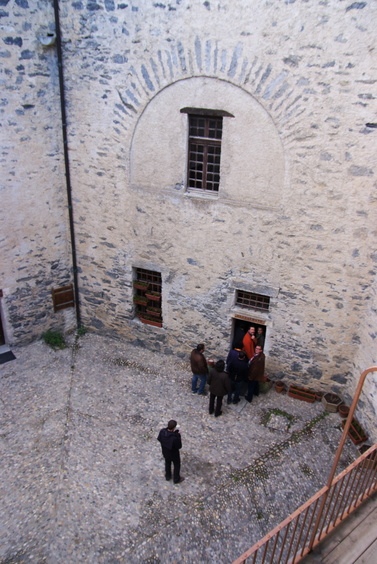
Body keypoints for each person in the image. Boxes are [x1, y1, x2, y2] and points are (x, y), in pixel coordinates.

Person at [157, 419, 184, 484]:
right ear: (174, 428)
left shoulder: (162, 431)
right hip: (174, 454)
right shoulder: (174, 437)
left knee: (167, 463)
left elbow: (159, 439)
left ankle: (168, 476)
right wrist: (178, 436)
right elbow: (179, 446)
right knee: (177, 465)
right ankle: (176, 479)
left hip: (165, 452)